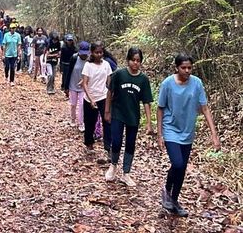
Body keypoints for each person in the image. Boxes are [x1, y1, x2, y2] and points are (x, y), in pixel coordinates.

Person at [157, 54, 221, 217]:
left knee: (182, 168)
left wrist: (214, 134)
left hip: (188, 130)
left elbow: (205, 108)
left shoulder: (197, 83)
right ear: (176, 68)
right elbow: (160, 108)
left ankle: (174, 200)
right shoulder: (167, 84)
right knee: (177, 164)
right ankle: (167, 190)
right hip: (170, 129)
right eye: (183, 68)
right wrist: (160, 134)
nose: (186, 71)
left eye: (189, 68)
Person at [105, 47, 153, 187]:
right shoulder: (119, 74)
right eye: (133, 60)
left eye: (138, 61)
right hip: (118, 113)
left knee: (131, 144)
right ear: (128, 60)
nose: (135, 63)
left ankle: (126, 172)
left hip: (133, 116)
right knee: (117, 140)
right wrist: (107, 111)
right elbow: (110, 92)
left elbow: (146, 102)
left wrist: (149, 122)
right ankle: (113, 166)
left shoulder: (143, 79)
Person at [81, 43, 112, 156]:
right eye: (96, 52)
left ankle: (108, 147)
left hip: (103, 96)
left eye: (101, 52)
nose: (99, 55)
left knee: (107, 121)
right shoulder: (88, 66)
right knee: (90, 123)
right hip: (90, 98)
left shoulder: (106, 65)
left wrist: (112, 95)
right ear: (92, 53)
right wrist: (91, 99)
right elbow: (84, 84)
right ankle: (89, 144)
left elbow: (109, 81)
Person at [64, 41, 90, 131]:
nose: (84, 56)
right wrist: (66, 86)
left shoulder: (90, 60)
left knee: (82, 104)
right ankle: (73, 119)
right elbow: (69, 72)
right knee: (73, 104)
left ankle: (81, 123)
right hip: (73, 85)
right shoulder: (74, 58)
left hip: (84, 86)